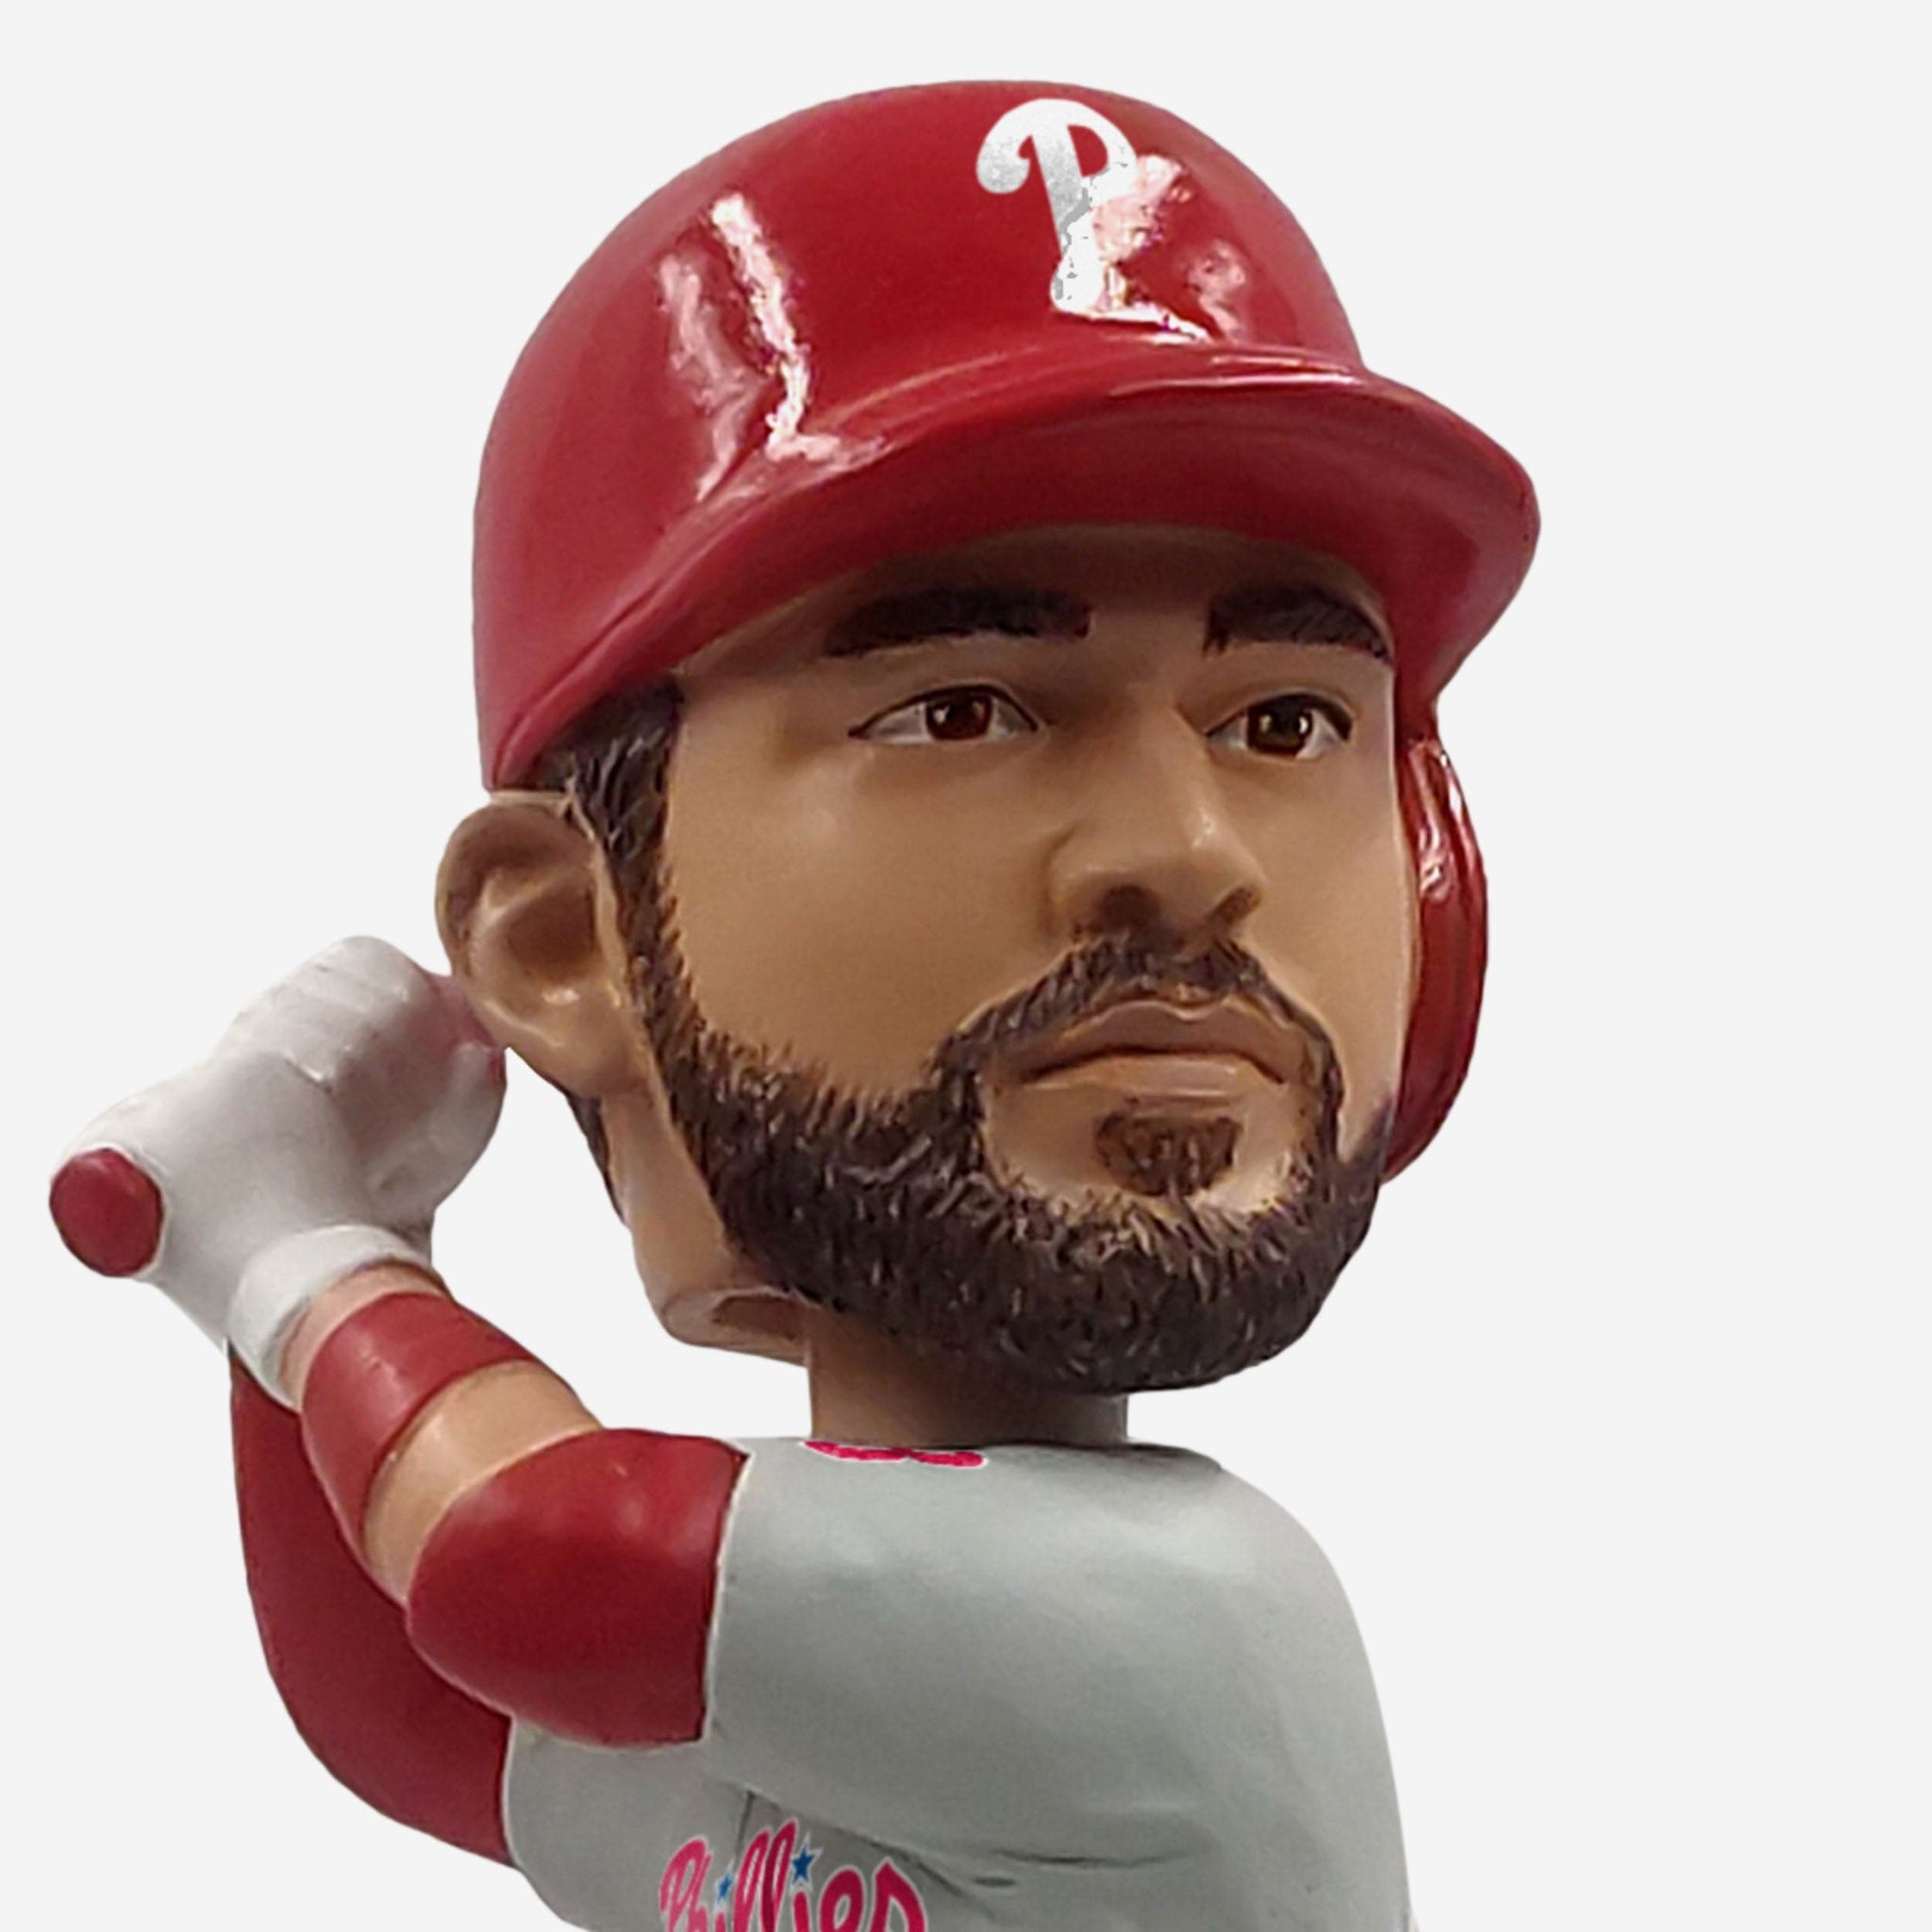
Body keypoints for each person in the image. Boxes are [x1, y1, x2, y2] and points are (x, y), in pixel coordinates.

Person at [51, 80, 1535, 1932]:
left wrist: (295, 1258)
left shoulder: (1188, 1628)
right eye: (962, 711)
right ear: (561, 939)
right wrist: (330, 1240)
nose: (1186, 850)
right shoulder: (802, 1680)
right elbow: (422, 1722)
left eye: (1288, 723)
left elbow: (521, 1554)